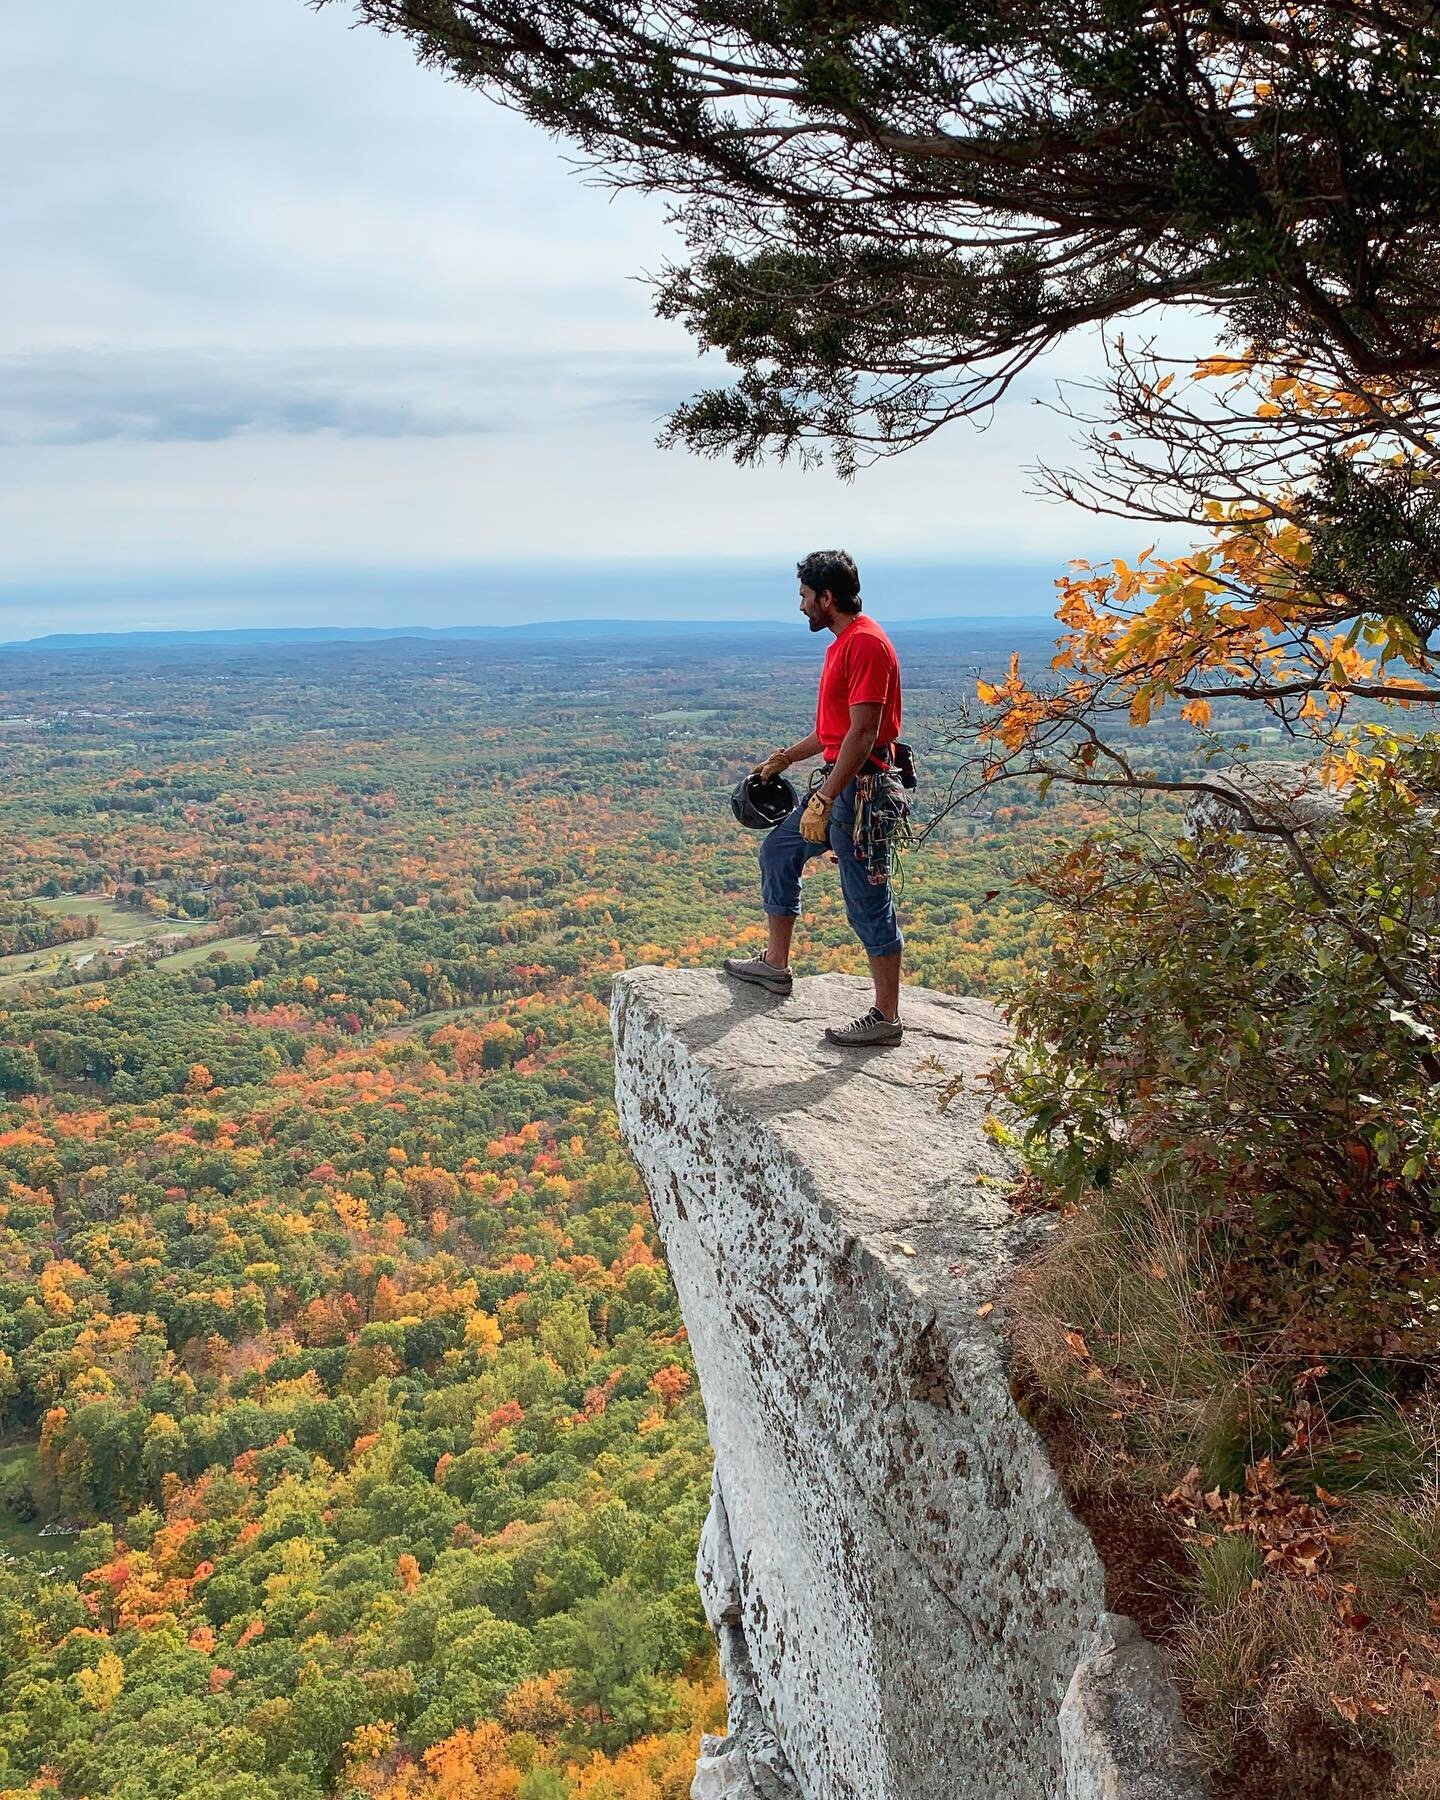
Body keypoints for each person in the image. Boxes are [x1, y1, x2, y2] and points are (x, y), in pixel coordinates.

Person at [723, 549, 909, 1046]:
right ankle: (775, 965)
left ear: (828, 598)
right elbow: (836, 730)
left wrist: (825, 799)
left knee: (867, 900)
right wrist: (787, 758)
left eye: (806, 597)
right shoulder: (844, 643)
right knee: (780, 850)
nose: (801, 606)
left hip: (861, 792)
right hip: (841, 785)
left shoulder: (865, 644)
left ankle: (886, 1017)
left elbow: (865, 733)